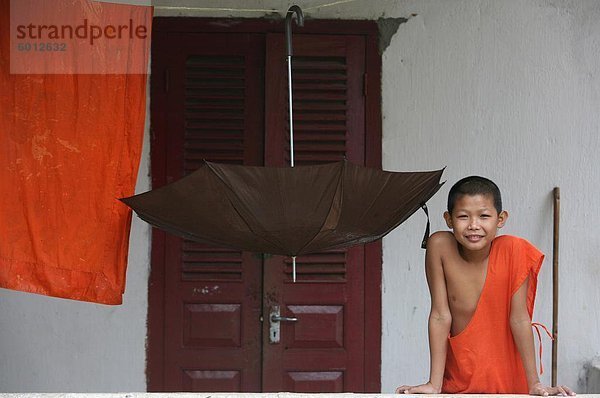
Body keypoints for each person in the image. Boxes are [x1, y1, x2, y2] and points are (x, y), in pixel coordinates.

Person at [396, 176, 575, 396]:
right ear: (449, 219)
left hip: (508, 379)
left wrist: (535, 384)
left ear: (500, 219)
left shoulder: (514, 250)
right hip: (459, 380)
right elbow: (440, 315)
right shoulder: (440, 246)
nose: (473, 225)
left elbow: (519, 318)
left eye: (484, 216)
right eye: (463, 216)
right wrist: (434, 384)